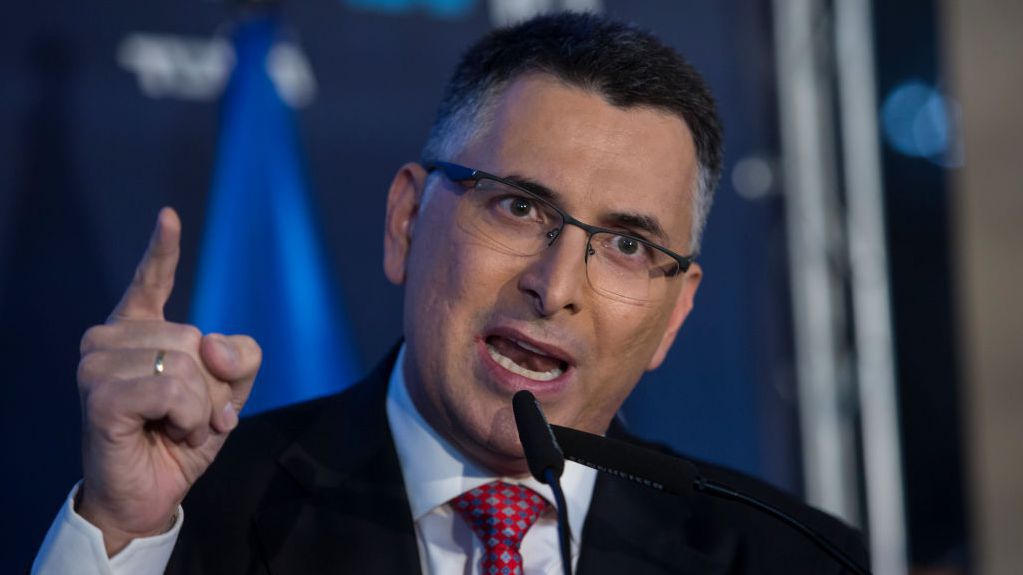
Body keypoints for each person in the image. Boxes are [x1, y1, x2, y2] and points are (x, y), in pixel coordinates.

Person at [33, 12, 867, 575]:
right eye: (519, 206)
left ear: (675, 312)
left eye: (626, 245)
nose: (554, 286)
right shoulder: (189, 518)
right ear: (405, 220)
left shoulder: (792, 557)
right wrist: (123, 530)